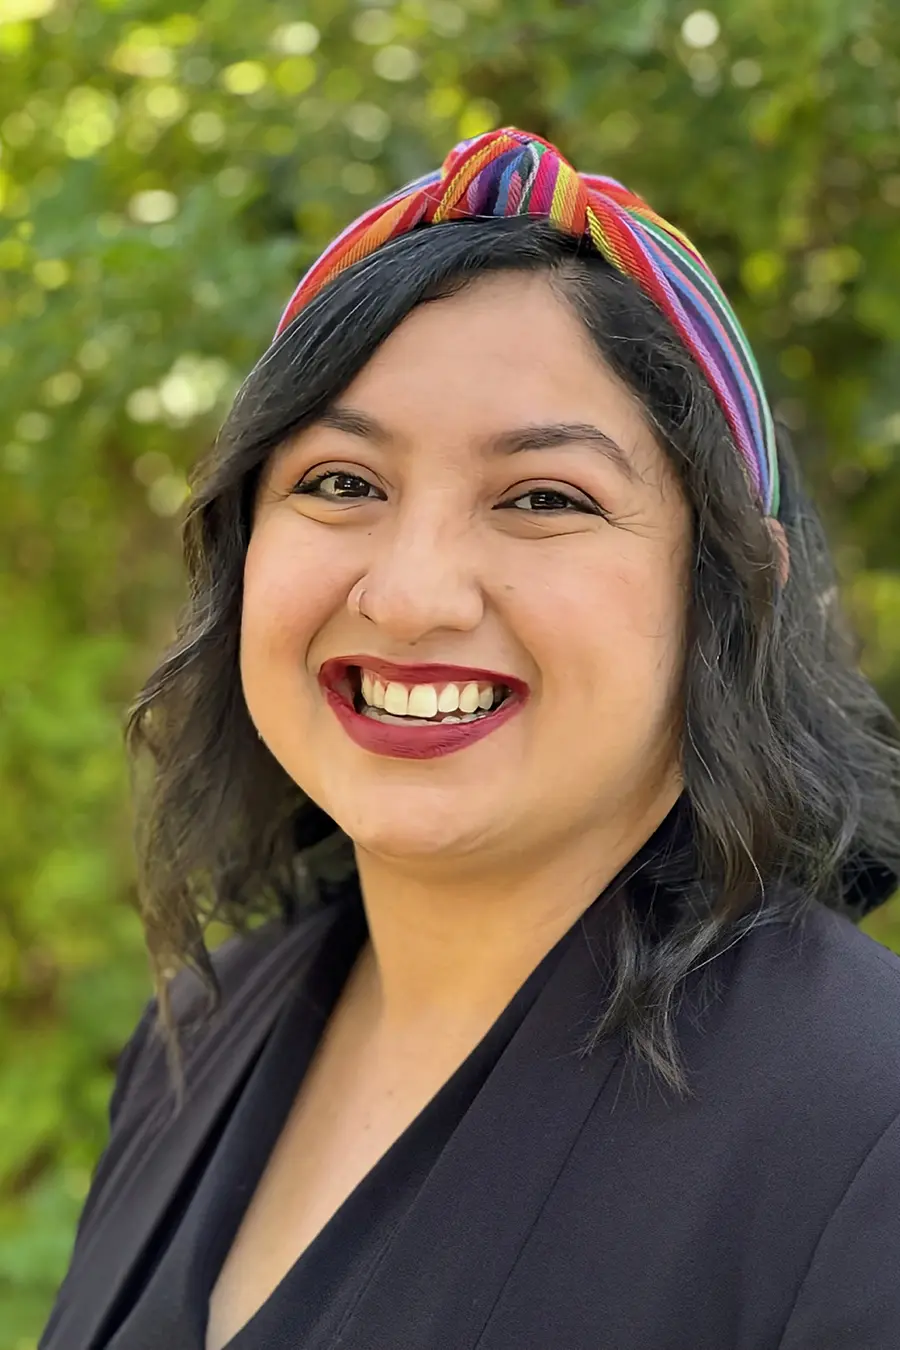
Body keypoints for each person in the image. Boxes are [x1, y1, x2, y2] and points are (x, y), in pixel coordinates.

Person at [40, 128, 900, 1350]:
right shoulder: (204, 1025)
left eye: (544, 498)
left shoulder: (863, 1132)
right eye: (341, 482)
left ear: (730, 591)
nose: (411, 594)